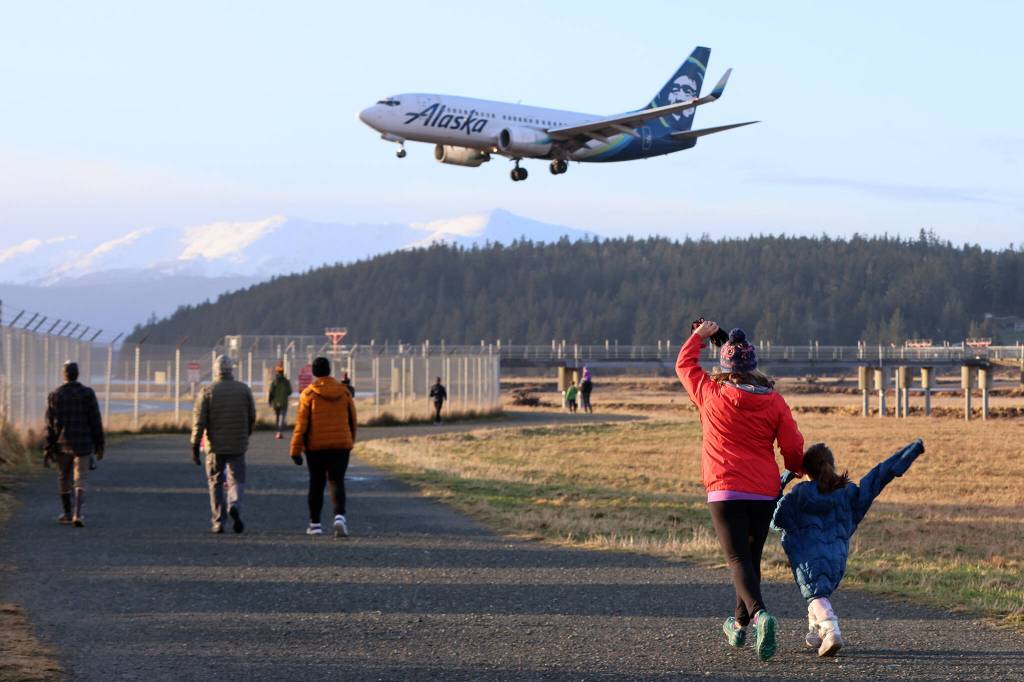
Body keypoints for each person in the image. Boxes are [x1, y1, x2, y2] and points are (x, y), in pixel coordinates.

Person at [676, 321, 804, 661]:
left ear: (725, 365)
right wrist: (800, 467)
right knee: (748, 560)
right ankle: (738, 625)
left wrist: (699, 336)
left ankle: (761, 615)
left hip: (724, 489)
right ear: (753, 364)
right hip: (764, 491)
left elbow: (684, 365)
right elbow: (792, 447)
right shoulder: (775, 401)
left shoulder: (709, 392)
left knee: (736, 560)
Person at [772, 439, 925, 657]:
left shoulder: (799, 495)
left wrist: (785, 477)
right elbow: (879, 477)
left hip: (808, 559)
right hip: (837, 559)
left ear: (805, 470)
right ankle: (816, 631)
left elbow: (775, 517)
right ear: (831, 465)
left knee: (816, 596)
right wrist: (910, 452)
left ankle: (831, 630)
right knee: (819, 593)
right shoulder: (848, 492)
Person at [290, 356, 357, 537]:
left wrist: (295, 450)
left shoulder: (308, 394)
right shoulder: (344, 393)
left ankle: (315, 524)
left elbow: (301, 425)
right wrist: (350, 441)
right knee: (337, 481)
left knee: (316, 484)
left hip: (316, 447)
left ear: (314, 373)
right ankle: (339, 518)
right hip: (341, 446)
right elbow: (353, 420)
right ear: (329, 370)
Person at [190, 355, 256, 534]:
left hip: (215, 445)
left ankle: (218, 521)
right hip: (238, 443)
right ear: (231, 370)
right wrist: (246, 434)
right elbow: (252, 416)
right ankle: (234, 503)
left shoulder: (207, 390)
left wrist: (195, 445)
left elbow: (199, 420)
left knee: (215, 481)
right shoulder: (244, 390)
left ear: (216, 370)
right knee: (237, 479)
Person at [44, 361, 104, 527]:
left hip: (62, 444)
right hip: (84, 444)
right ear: (77, 374)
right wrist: (99, 445)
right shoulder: (87, 394)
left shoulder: (55, 395)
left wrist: (48, 446)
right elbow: (95, 421)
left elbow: (50, 425)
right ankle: (78, 514)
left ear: (64, 374)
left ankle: (67, 513)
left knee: (64, 477)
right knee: (81, 479)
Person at [267, 363, 292, 440]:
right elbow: (289, 392)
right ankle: (279, 432)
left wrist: (270, 401)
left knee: (278, 417)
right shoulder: (286, 382)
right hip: (283, 402)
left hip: (275, 403)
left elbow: (271, 392)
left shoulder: (274, 382)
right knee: (281, 417)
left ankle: (278, 431)